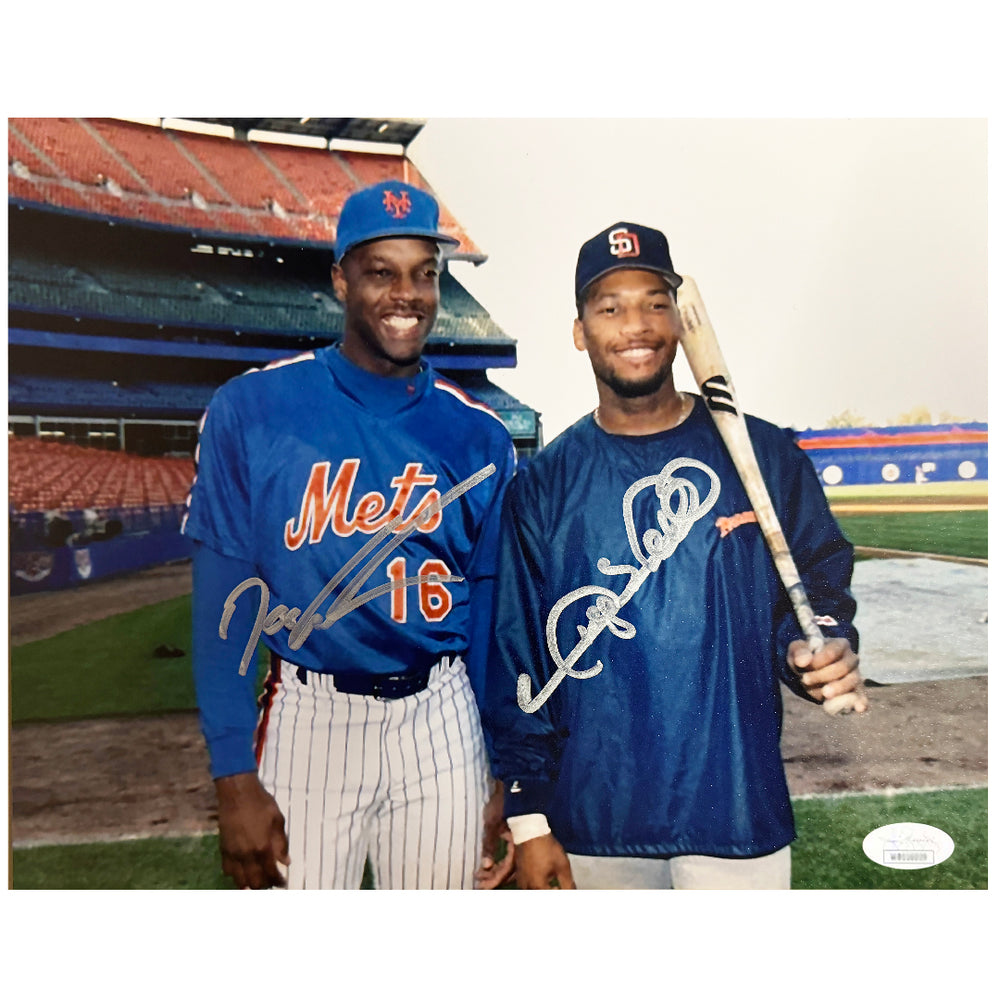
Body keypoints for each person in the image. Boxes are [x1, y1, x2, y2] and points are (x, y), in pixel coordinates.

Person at [482, 221, 867, 890]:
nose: (636, 325)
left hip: (735, 807)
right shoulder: (544, 485)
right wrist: (529, 817)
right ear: (579, 332)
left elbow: (818, 583)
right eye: (610, 308)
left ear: (680, 323)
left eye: (655, 304)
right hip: (595, 818)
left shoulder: (765, 455)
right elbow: (518, 654)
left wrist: (816, 645)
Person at [183, 181, 517, 890]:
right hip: (311, 715)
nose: (408, 294)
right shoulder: (253, 408)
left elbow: (490, 616)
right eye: (381, 273)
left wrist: (499, 769)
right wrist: (232, 773)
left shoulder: (479, 435)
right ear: (340, 280)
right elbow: (223, 607)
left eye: (425, 274)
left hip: (442, 717)